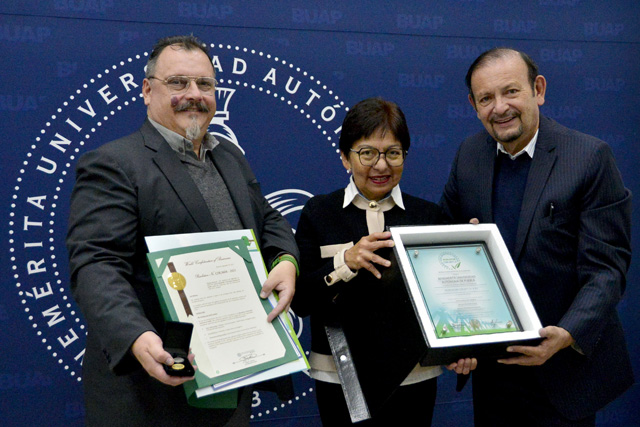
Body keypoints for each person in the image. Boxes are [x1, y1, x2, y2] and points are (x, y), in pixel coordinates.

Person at [66, 35, 299, 427]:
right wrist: (138, 338)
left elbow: (269, 219)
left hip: (230, 382)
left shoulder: (229, 155)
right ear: (147, 90)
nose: (194, 95)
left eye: (204, 84)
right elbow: (97, 264)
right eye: (178, 83)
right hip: (152, 392)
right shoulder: (114, 163)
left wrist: (287, 261)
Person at [440, 47, 633, 426]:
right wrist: (449, 337)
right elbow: (441, 246)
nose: (500, 108)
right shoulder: (469, 155)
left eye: (511, 92)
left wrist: (566, 333)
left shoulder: (589, 157)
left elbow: (607, 268)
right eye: (486, 98)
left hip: (563, 373)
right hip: (493, 373)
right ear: (473, 105)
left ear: (538, 90)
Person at [292, 97, 475, 426]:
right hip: (339, 377)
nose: (381, 166)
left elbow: (448, 302)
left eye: (393, 153)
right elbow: (302, 299)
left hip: (414, 377)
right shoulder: (318, 213)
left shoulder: (428, 217)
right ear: (345, 157)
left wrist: (462, 346)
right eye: (367, 153)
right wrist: (345, 263)